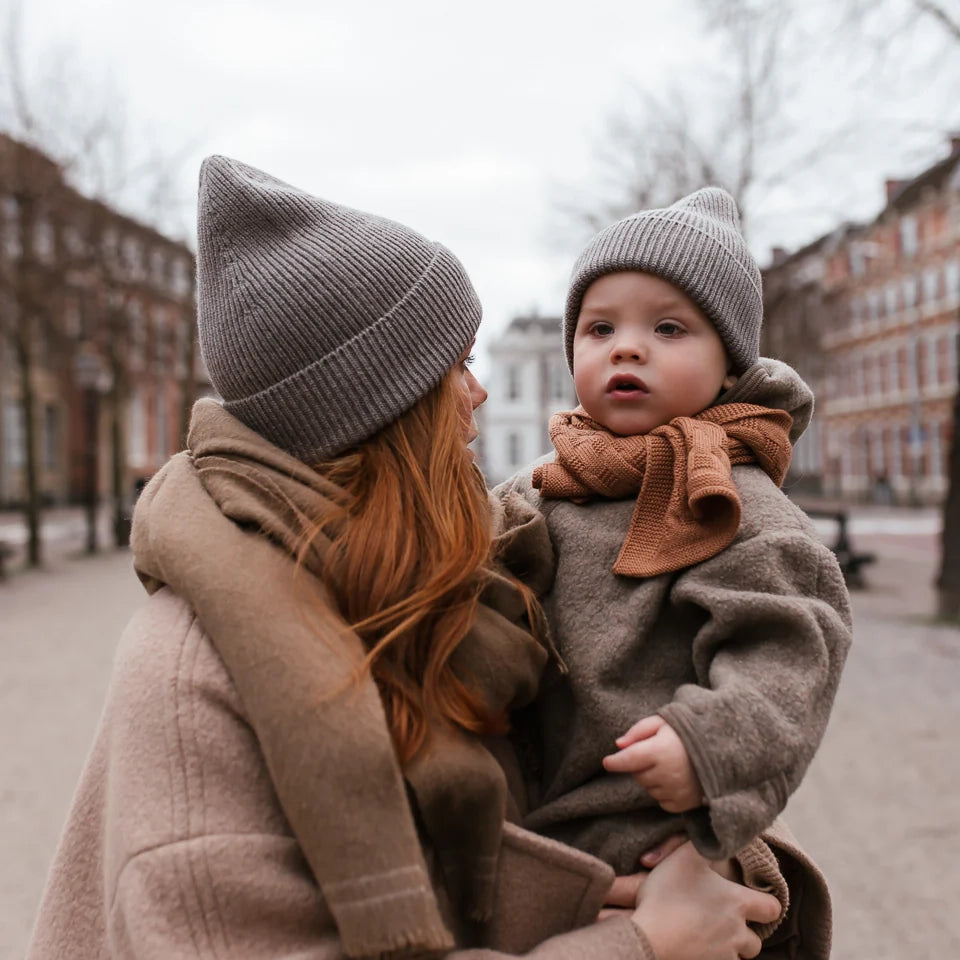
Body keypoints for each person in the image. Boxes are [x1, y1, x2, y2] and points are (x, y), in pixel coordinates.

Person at [28, 160, 808, 960]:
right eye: (456, 365)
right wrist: (642, 945)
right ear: (378, 405)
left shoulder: (451, 583)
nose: (477, 394)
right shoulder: (193, 674)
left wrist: (689, 858)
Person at [494, 188, 853, 952]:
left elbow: (794, 648)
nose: (628, 347)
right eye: (600, 328)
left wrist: (708, 745)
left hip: (662, 829)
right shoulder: (547, 485)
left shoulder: (736, 502)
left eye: (668, 327)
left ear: (728, 368)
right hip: (545, 828)